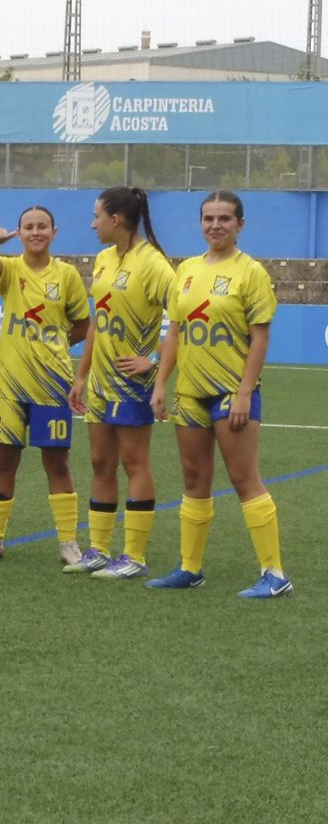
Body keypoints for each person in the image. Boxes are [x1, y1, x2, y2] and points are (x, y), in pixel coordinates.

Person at [146, 191, 292, 598]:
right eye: (208, 218)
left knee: (244, 479)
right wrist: (161, 383)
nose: (215, 225)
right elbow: (175, 332)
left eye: (225, 218)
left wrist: (245, 392)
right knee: (194, 480)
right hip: (190, 393)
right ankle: (190, 568)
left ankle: (275, 574)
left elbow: (260, 338)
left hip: (231, 392)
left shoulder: (251, 272)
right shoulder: (187, 270)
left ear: (240, 224)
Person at [0, 207, 89, 564]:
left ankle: (68, 542)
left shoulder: (66, 275)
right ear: (19, 233)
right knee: (4, 460)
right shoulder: (11, 269)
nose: (36, 232)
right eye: (29, 227)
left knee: (57, 462)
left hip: (52, 382)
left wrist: (57, 343)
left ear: (54, 232)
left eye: (42, 226)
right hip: (9, 383)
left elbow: (83, 324)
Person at [66, 187, 174, 579]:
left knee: (134, 462)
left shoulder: (154, 264)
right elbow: (98, 321)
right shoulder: (103, 259)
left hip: (133, 384)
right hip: (99, 382)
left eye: (96, 216)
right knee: (100, 461)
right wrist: (82, 374)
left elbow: (183, 321)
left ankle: (134, 556)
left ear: (115, 220)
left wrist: (155, 361)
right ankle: (98, 549)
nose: (92, 224)